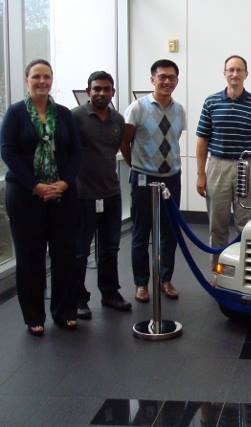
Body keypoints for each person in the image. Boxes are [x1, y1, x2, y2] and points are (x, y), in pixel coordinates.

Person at [0, 59, 81, 335]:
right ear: (27, 80)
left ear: (52, 80)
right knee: (30, 257)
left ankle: (65, 311)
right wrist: (36, 185)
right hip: (25, 195)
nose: (42, 81)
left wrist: (64, 182)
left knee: (65, 255)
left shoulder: (64, 114)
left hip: (63, 195)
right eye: (36, 77)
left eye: (46, 76)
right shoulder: (15, 114)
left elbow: (76, 152)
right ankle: (34, 316)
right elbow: (8, 152)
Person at [195, 55, 251, 272]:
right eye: (231, 69)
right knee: (217, 225)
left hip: (246, 166)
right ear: (224, 73)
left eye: (239, 70)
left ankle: (244, 273)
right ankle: (218, 271)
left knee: (245, 224)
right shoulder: (211, 102)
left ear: (246, 74)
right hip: (217, 167)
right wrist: (201, 174)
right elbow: (202, 140)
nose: (235, 74)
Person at [121, 59, 186, 302]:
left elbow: (173, 139)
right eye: (162, 77)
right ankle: (141, 284)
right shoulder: (137, 108)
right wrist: (138, 166)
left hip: (172, 178)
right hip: (143, 178)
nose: (167, 81)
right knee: (141, 233)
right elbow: (125, 142)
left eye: (172, 77)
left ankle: (165, 279)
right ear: (152, 79)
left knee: (170, 232)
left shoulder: (179, 110)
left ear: (177, 80)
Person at [72, 71, 132, 320]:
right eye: (96, 89)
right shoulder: (75, 117)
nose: (101, 93)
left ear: (112, 93)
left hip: (111, 193)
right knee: (80, 251)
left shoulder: (118, 119)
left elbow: (116, 149)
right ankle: (78, 299)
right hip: (82, 195)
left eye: (106, 89)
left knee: (110, 248)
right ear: (88, 91)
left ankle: (110, 293)